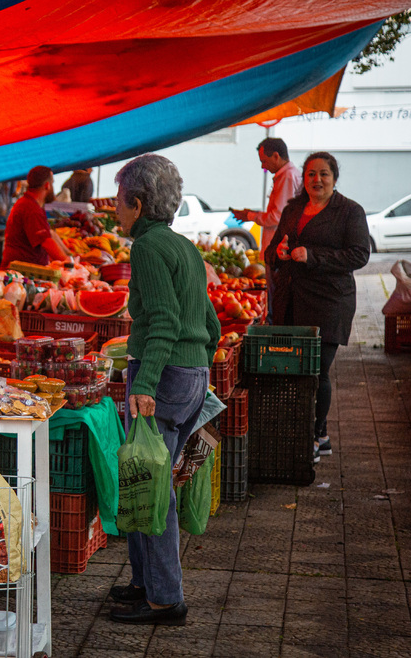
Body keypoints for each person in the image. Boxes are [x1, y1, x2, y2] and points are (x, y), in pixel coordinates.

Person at [107, 154, 220, 626]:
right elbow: (208, 322)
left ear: (137, 203)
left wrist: (148, 382)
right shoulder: (183, 246)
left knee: (151, 488)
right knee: (144, 477)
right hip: (188, 374)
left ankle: (165, 599)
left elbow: (167, 321)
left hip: (164, 376)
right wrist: (201, 369)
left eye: (118, 201)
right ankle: (145, 582)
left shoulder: (149, 248)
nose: (114, 210)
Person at [265, 152, 370, 461]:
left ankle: (315, 432)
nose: (317, 180)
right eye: (311, 174)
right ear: (304, 179)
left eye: (323, 174)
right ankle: (317, 435)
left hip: (329, 302)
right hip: (291, 301)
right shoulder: (293, 208)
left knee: (318, 370)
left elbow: (359, 255)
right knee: (295, 369)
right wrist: (279, 252)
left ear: (334, 178)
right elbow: (272, 250)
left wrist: (313, 256)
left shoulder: (350, 211)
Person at [232, 138, 302, 321]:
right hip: (276, 248)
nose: (263, 165)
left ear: (276, 156)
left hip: (278, 249)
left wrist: (250, 216)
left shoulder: (286, 177)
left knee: (276, 296)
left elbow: (276, 217)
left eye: (264, 160)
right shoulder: (286, 175)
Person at [0, 166, 71, 269]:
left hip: (23, 269)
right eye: (53, 183)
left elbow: (50, 234)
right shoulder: (31, 209)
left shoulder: (30, 204)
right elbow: (47, 242)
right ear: (47, 185)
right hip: (20, 273)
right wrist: (69, 265)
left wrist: (68, 255)